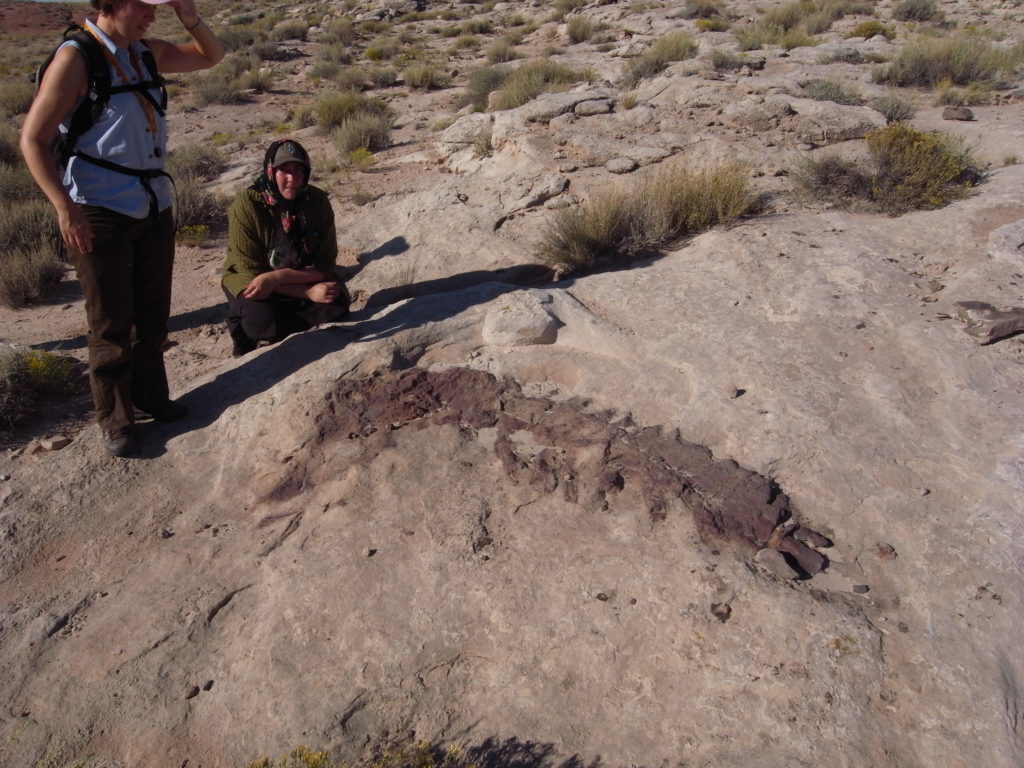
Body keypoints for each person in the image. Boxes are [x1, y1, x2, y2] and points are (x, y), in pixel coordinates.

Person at [20, 0, 225, 456]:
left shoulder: (143, 51)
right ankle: (115, 419)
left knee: (152, 315)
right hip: (98, 207)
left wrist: (189, 16)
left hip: (152, 202)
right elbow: (32, 138)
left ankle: (152, 397)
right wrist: (64, 207)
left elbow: (212, 56)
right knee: (110, 320)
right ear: (112, 3)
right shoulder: (77, 58)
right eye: (145, 6)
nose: (154, 14)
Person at [222, 139, 350, 358]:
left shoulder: (316, 201)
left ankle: (284, 326)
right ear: (271, 171)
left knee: (337, 302)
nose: (293, 178)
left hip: (294, 275)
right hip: (254, 282)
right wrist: (308, 293)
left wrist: (279, 278)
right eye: (284, 170)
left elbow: (325, 263)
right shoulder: (247, 205)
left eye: (299, 170)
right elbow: (249, 273)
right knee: (258, 319)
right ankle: (242, 326)